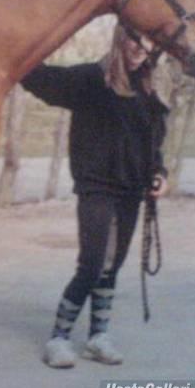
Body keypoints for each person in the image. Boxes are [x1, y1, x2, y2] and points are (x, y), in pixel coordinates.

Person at [21, 24, 170, 368]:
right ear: (120, 39)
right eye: (134, 39)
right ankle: (58, 338)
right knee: (91, 263)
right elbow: (40, 78)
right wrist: (25, 44)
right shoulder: (91, 80)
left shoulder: (147, 94)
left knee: (112, 265)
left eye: (146, 43)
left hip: (132, 192)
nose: (139, 48)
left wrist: (159, 176)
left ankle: (97, 336)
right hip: (97, 187)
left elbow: (153, 149)